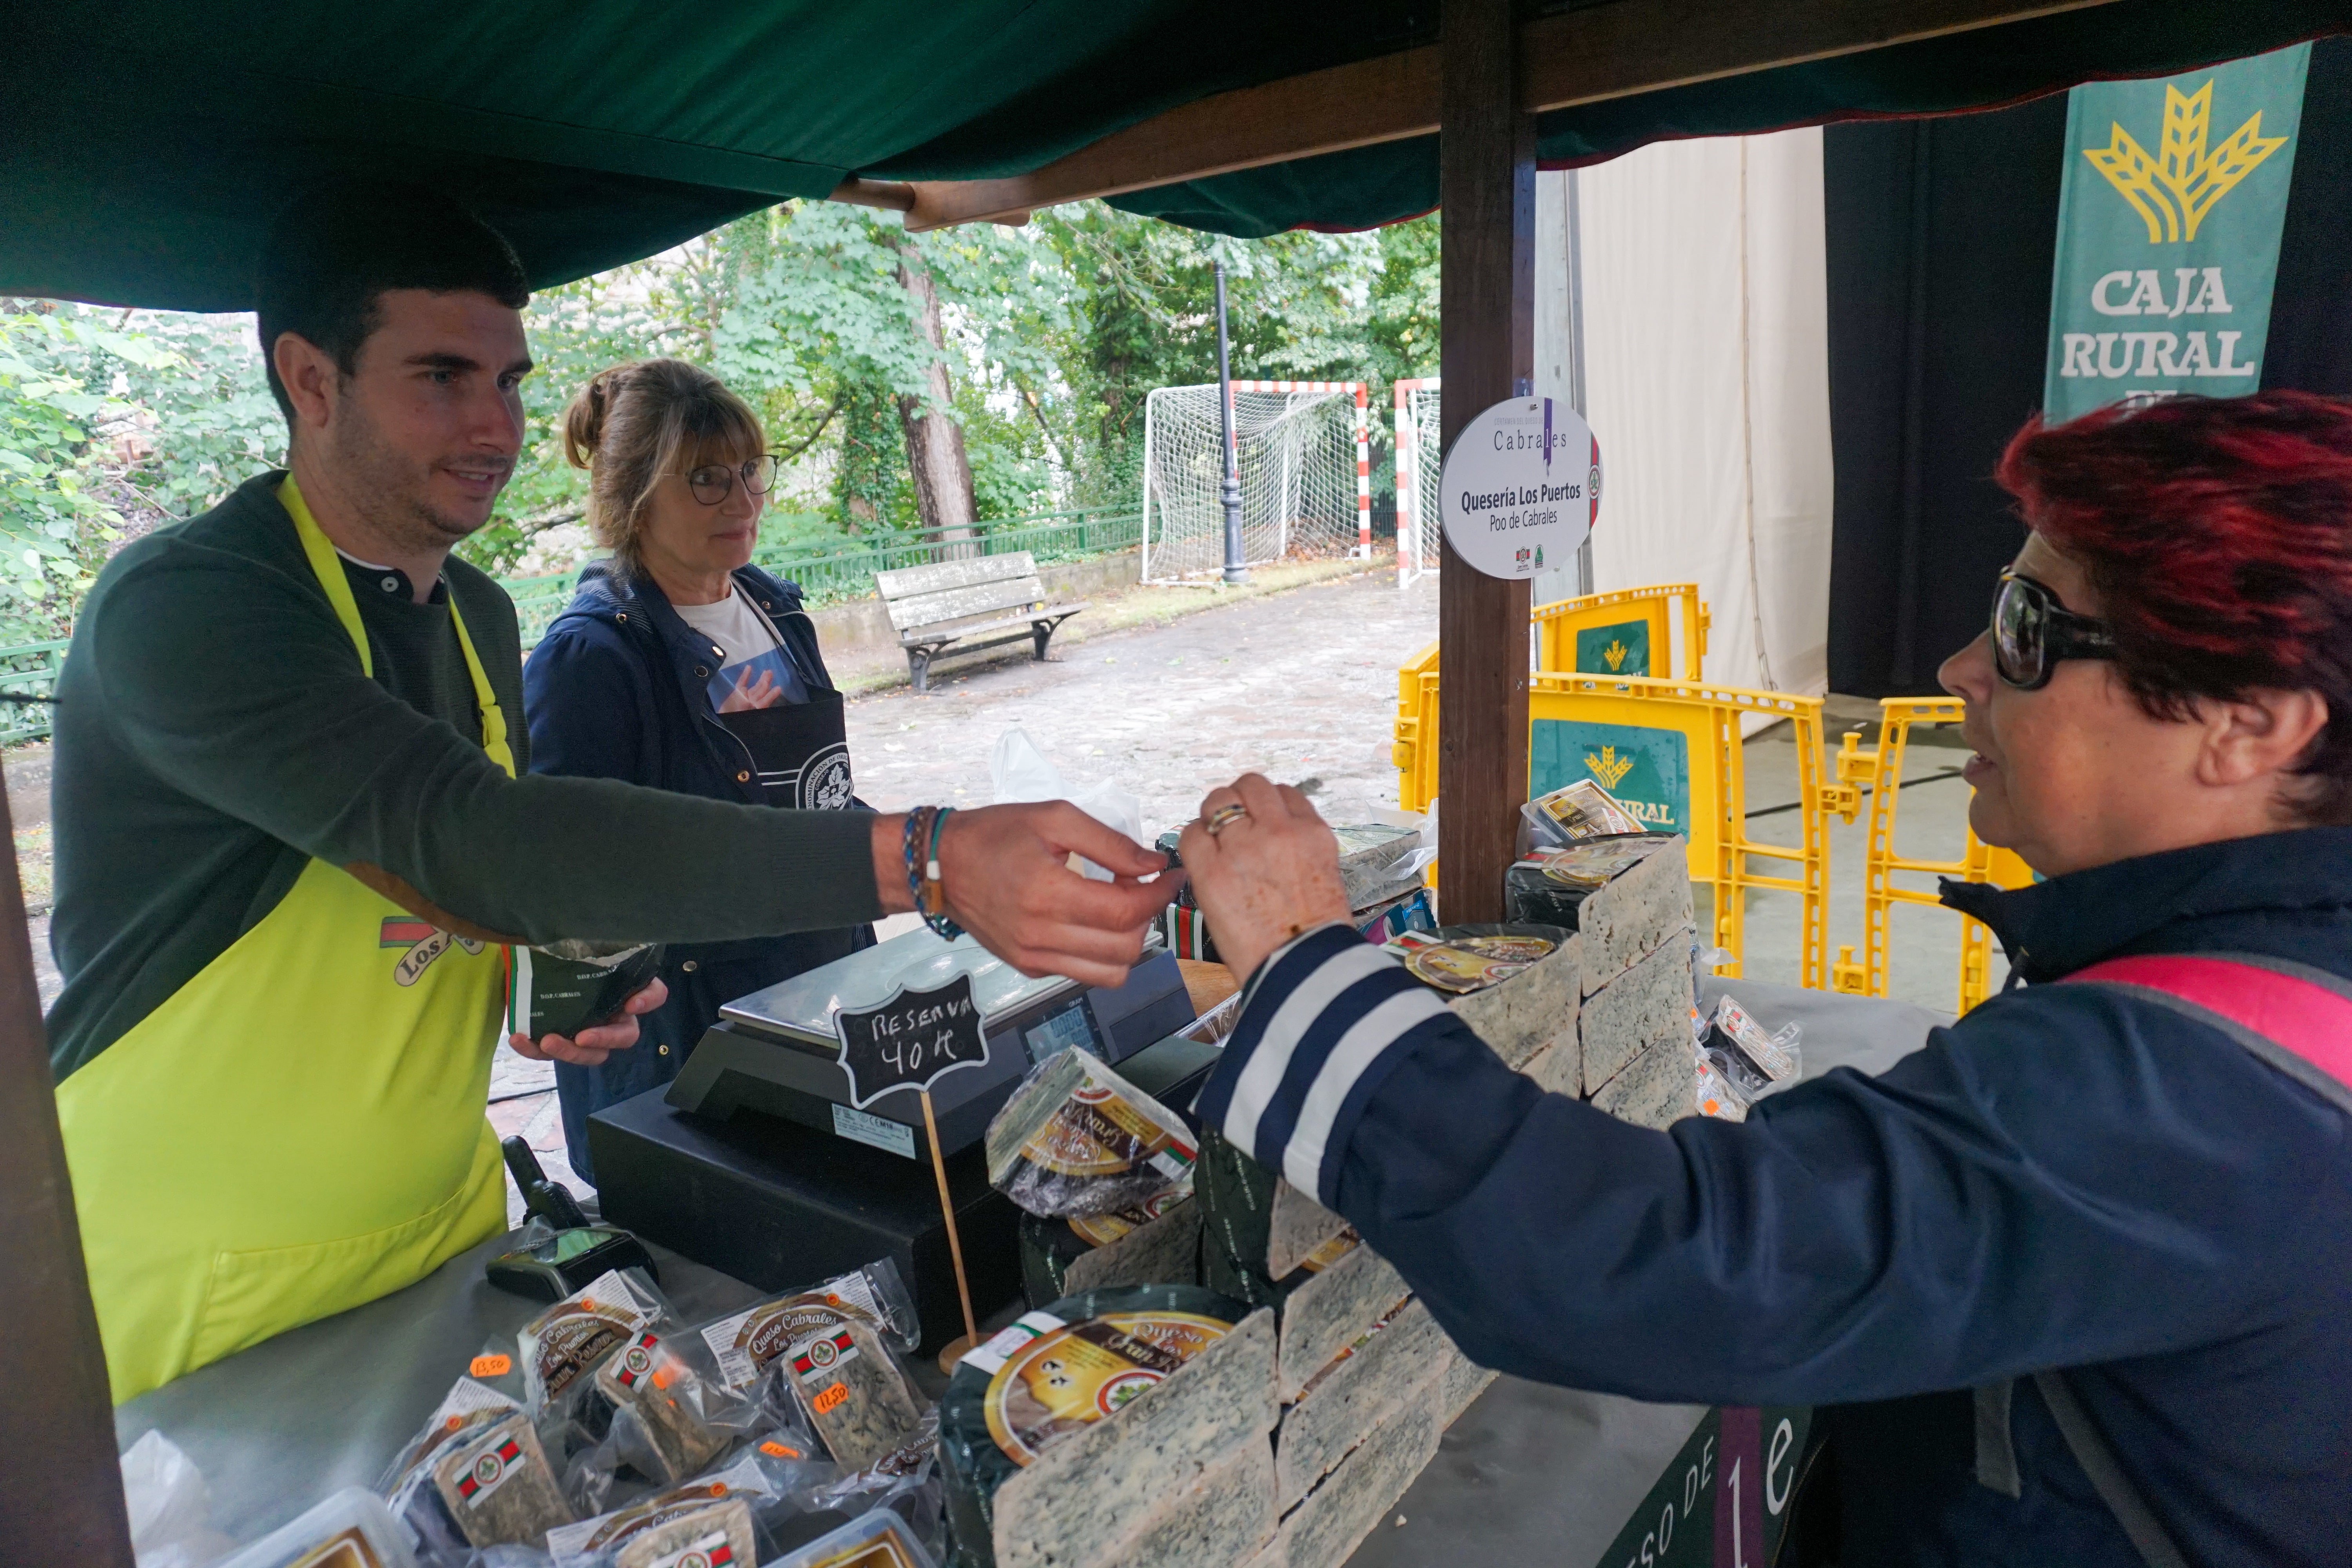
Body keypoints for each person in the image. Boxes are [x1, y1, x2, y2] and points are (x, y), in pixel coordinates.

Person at [1179, 392, 2352, 1566]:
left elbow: (1682, 1264)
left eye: (2028, 630)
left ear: (2247, 726)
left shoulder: (2198, 1087)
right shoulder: (2272, 982)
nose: (1961, 670)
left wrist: (1303, 956)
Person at [47, 181, 1168, 1402]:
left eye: (510, 382)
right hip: (188, 1281)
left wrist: (557, 973)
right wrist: (931, 856)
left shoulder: (472, 612)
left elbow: (496, 882)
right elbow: (468, 841)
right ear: (310, 381)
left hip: (437, 1227)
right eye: (440, 378)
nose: (493, 426)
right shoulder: (191, 607)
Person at [524, 360, 872, 1184]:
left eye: (751, 470)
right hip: (692, 1054)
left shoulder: (777, 608)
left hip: (821, 995)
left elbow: (814, 791)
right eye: (708, 480)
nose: (745, 499)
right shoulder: (591, 657)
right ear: (634, 494)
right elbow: (561, 884)